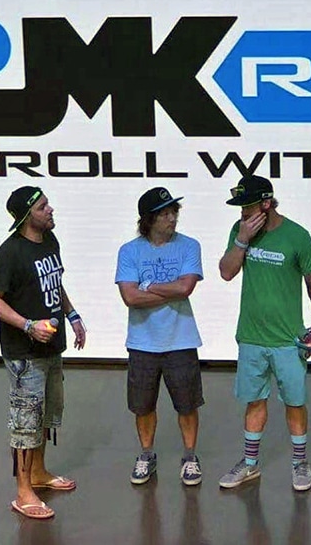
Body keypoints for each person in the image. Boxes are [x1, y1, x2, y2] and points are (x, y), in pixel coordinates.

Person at [218, 175, 311, 492]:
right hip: (251, 337)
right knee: (254, 401)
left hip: (288, 341)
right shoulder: (240, 231)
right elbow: (226, 272)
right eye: (241, 207)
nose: (243, 213)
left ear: (267, 204)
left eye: (248, 206)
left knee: (295, 403)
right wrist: (242, 240)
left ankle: (300, 463)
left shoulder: (297, 236)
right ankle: (250, 464)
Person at [0, 186, 87, 519]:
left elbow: (55, 283)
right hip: (24, 354)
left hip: (51, 347)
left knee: (46, 415)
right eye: (43, 207)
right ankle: (23, 491)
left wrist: (72, 315)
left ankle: (39, 473)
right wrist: (28, 325)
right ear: (28, 215)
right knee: (25, 422)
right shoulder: (10, 252)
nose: (50, 209)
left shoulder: (50, 241)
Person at [115, 187, 205, 486]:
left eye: (173, 212)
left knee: (187, 404)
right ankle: (146, 454)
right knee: (143, 405)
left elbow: (185, 288)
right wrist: (168, 290)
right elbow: (130, 297)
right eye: (164, 214)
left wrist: (147, 286)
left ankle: (190, 456)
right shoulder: (130, 251)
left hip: (181, 339)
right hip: (142, 342)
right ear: (149, 219)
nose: (172, 218)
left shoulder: (189, 246)